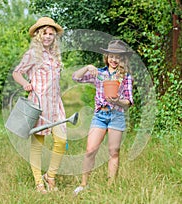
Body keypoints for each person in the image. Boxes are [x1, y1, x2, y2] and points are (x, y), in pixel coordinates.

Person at [72, 40, 134, 195]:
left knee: (114, 152)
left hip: (116, 115)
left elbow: (128, 102)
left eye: (118, 57)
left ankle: (110, 186)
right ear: (107, 57)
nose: (114, 59)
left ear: (123, 59)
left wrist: (117, 101)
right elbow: (76, 78)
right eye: (111, 56)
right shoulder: (99, 73)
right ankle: (84, 184)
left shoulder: (126, 77)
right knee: (90, 150)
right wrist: (87, 67)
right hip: (100, 115)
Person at [12, 17, 66, 194]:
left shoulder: (54, 55)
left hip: (55, 104)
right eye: (45, 33)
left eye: (51, 34)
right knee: (38, 144)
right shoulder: (32, 54)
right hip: (39, 104)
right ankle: (39, 184)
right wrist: (25, 84)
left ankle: (50, 176)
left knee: (61, 140)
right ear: (38, 35)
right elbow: (17, 73)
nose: (48, 36)